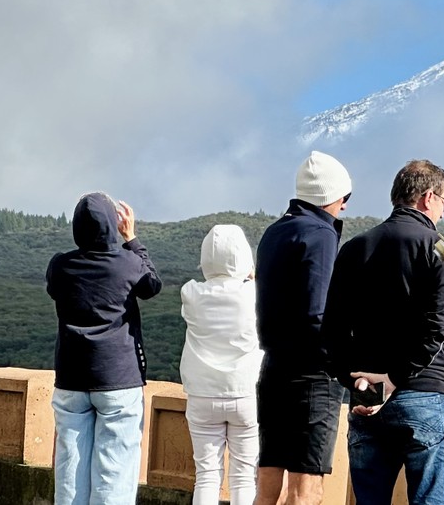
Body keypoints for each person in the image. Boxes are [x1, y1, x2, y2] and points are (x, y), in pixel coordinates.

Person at [323, 159, 444, 505]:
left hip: (367, 395)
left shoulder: (354, 248)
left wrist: (354, 380)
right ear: (429, 198)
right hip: (424, 391)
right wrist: (395, 377)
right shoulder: (440, 249)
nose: (443, 213)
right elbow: (438, 327)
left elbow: (332, 329)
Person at [46, 192, 163, 505]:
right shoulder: (127, 263)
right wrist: (132, 239)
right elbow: (152, 285)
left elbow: (54, 289)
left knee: (70, 470)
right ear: (113, 224)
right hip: (118, 378)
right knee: (114, 474)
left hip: (71, 379)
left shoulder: (60, 265)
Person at [253, 151, 352, 505]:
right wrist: (341, 362)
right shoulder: (321, 235)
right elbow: (317, 311)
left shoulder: (273, 232)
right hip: (312, 374)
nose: (344, 207)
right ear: (333, 196)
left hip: (273, 367)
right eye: (345, 198)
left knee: (267, 484)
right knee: (305, 489)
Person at [180, 225, 262, 505]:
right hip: (245, 392)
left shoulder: (190, 293)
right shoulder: (254, 293)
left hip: (202, 394)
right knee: (243, 476)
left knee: (206, 475)